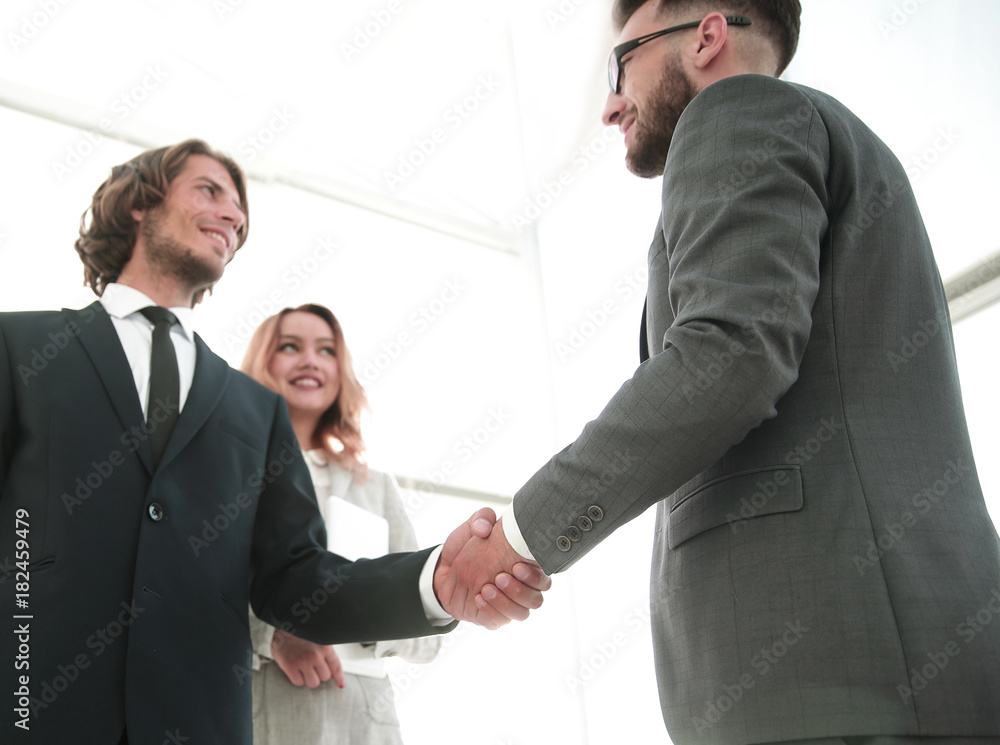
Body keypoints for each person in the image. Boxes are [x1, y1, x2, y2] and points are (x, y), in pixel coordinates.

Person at [440, 1, 1000, 743]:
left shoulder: (739, 112)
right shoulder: (842, 140)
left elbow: (728, 353)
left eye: (622, 63)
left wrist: (522, 532)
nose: (610, 106)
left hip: (834, 682)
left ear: (705, 36)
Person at [0, 140, 548, 744]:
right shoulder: (19, 348)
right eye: (210, 190)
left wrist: (431, 580)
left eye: (240, 210)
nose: (233, 215)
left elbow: (296, 580)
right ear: (139, 204)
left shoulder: (253, 410)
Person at [242, 303, 441, 745]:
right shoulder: (234, 475)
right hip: (268, 715)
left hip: (363, 725)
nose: (310, 360)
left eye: (326, 350)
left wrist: (353, 618)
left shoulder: (377, 489)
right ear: (263, 362)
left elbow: (427, 639)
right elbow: (195, 592)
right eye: (290, 347)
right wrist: (272, 633)